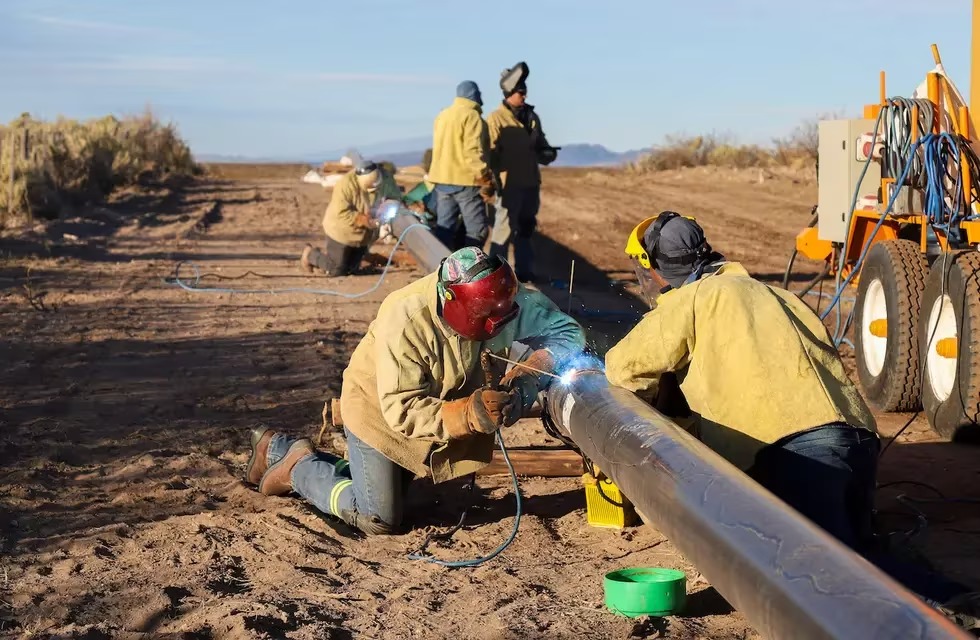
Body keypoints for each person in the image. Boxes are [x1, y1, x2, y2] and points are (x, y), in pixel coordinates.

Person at [604, 211, 974, 613]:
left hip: (794, 452)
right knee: (852, 546)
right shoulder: (776, 295)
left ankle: (954, 604)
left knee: (831, 568)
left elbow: (623, 368)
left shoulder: (694, 299)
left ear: (656, 268)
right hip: (855, 439)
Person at [245, 247, 586, 535]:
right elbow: (401, 409)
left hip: (436, 406)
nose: (496, 326)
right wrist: (467, 414)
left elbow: (568, 335)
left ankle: (278, 449)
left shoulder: (505, 300)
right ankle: (298, 466)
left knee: (400, 494)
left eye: (503, 316)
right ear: (450, 301)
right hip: (378, 410)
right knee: (379, 517)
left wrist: (526, 379)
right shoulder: (406, 317)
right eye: (485, 318)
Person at [487, 62, 559, 283]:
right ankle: (494, 274)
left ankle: (524, 273)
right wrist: (490, 181)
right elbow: (489, 153)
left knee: (526, 229)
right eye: (520, 92)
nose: (524, 96)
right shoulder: (495, 119)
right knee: (503, 229)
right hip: (509, 185)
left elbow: (541, 144)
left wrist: (547, 152)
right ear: (509, 93)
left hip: (530, 182)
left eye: (525, 91)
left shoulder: (532, 117)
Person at [300, 160, 402, 276]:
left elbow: (395, 197)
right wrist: (364, 219)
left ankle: (342, 263)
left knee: (352, 270)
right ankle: (310, 254)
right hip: (340, 230)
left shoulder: (386, 178)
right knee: (337, 270)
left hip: (363, 235)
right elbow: (342, 213)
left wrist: (388, 208)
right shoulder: (345, 185)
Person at [428, 81, 495, 251]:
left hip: (442, 181)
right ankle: (469, 270)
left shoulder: (442, 115)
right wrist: (484, 177)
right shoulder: (472, 117)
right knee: (477, 231)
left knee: (445, 228)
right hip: (466, 181)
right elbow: (473, 151)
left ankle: (440, 270)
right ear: (475, 95)